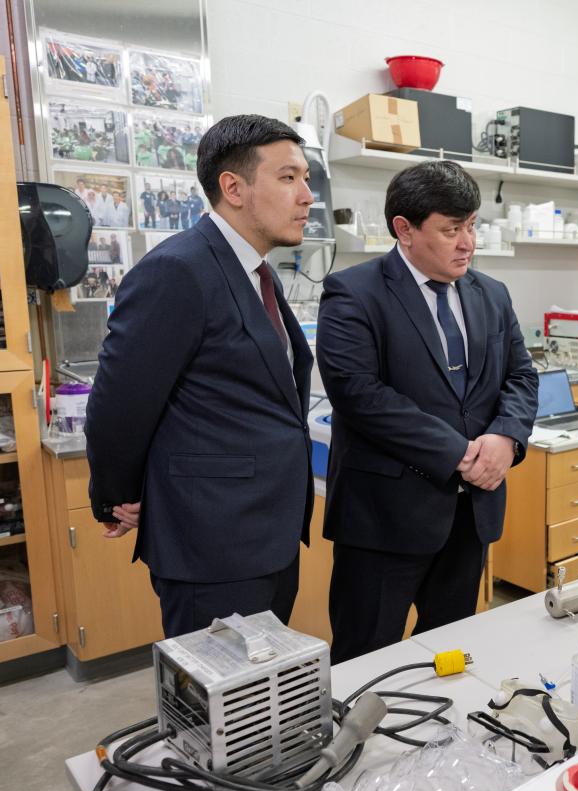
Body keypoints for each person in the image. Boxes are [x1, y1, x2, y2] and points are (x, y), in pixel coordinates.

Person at [86, 114, 316, 637]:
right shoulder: (179, 270)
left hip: (268, 532)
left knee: (260, 699)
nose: (306, 196)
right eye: (288, 178)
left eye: (305, 178)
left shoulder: (256, 271)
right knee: (213, 705)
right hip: (211, 543)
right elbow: (121, 404)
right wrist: (117, 498)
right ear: (233, 187)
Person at [318, 160, 539, 663]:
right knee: (364, 655)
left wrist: (505, 438)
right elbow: (360, 395)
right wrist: (461, 454)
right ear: (405, 229)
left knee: (452, 650)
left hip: (469, 515)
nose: (468, 243)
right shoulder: (353, 292)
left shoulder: (492, 294)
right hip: (384, 518)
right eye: (450, 230)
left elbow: (522, 377)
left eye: (472, 226)